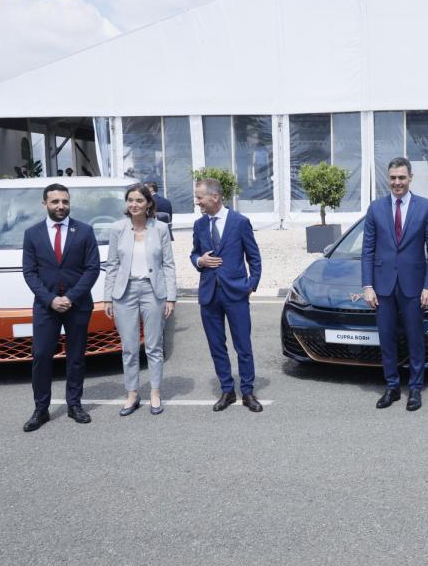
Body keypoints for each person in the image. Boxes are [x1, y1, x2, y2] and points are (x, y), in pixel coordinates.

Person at [20, 183, 101, 432]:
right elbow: (30, 272)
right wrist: (50, 299)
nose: (60, 206)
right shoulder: (32, 234)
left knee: (75, 357)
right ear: (45, 203)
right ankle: (41, 409)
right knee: (42, 356)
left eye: (64, 201)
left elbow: (92, 269)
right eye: (55, 201)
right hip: (46, 306)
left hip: (77, 306)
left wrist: (72, 297)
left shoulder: (84, 232)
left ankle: (74, 405)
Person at [362, 157, 428, 411]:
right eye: (393, 177)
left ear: (410, 178)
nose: (397, 182)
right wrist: (367, 286)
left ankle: (415, 388)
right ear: (389, 178)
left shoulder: (426, 207)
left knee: (415, 338)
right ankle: (392, 387)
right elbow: (368, 250)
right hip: (383, 286)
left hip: (414, 286)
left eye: (402, 177)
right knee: (386, 338)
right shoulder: (375, 208)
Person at [103, 184, 177, 416]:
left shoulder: (161, 229)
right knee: (129, 348)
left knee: (154, 346)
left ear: (148, 204)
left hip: (153, 291)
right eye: (130, 200)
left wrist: (171, 297)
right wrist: (107, 297)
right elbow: (112, 265)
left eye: (139, 201)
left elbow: (168, 264)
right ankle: (132, 393)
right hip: (124, 292)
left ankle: (155, 392)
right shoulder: (117, 229)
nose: (134, 204)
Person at [191, 177, 264, 413]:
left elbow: (254, 257)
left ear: (215, 196)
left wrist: (251, 284)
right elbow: (194, 254)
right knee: (216, 345)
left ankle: (248, 391)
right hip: (209, 294)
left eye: (200, 197)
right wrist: (199, 261)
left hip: (235, 294)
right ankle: (227, 390)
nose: (197, 202)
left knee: (243, 345)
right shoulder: (199, 225)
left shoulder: (240, 222)